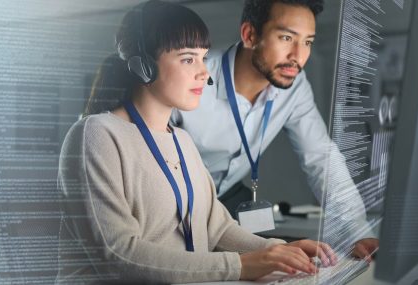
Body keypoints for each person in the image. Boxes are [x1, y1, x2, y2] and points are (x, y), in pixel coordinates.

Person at [56, 1, 336, 284]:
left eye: (203, 58)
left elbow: (217, 228)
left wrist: (277, 250)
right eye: (189, 59)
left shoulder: (182, 140)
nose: (204, 72)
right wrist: (240, 265)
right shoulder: (96, 135)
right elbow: (118, 253)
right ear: (143, 67)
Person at [171, 0, 379, 259]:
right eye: (286, 37)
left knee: (287, 257)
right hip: (174, 200)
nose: (298, 55)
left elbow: (321, 157)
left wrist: (357, 232)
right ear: (250, 35)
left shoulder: (294, 86)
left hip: (229, 196)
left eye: (307, 42)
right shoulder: (192, 77)